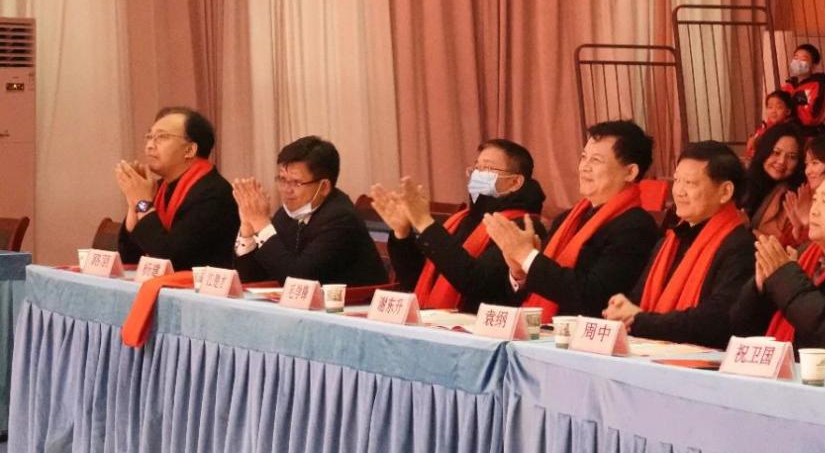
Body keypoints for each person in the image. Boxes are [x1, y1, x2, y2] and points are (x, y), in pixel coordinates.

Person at [485, 120, 659, 320]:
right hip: (542, 329)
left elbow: (593, 296)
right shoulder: (567, 219)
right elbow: (530, 292)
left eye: (596, 160)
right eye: (584, 157)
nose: (584, 167)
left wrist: (528, 257)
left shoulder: (635, 227)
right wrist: (520, 274)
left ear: (630, 172)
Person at [602, 142, 752, 347]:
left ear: (725, 192)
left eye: (690, 183)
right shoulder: (670, 240)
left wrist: (639, 320)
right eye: (677, 180)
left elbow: (715, 320)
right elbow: (638, 298)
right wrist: (622, 308)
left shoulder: (741, 247)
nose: (679, 191)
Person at [370, 138, 547, 311]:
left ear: (515, 182)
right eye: (476, 168)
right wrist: (402, 234)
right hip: (434, 319)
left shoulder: (524, 226)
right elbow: (416, 279)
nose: (476, 174)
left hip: (477, 323)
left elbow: (477, 283)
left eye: (487, 168)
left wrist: (425, 223)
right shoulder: (463, 219)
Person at [730, 167, 825, 363]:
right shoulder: (804, 253)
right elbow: (739, 325)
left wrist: (785, 280)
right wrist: (760, 287)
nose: (814, 211)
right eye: (815, 200)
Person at [232, 137, 385, 286]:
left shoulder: (341, 219)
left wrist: (261, 223)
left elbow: (298, 279)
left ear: (324, 187)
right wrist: (247, 228)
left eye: (296, 182)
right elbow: (253, 278)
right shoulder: (286, 215)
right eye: (282, 180)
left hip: (356, 301)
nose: (286, 190)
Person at [115, 106, 237, 270]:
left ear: (189, 150)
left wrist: (142, 203)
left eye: (161, 137)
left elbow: (171, 257)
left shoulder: (214, 193)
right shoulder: (158, 187)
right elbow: (129, 257)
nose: (150, 145)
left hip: (197, 284)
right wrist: (133, 205)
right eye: (149, 137)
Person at [742, 121, 805, 244]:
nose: (781, 161)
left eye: (792, 157)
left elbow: (787, 245)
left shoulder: (796, 197)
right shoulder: (744, 181)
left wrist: (745, 228)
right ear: (764, 151)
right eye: (776, 153)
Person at [782, 43, 825, 133]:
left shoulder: (818, 85)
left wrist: (789, 111)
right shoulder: (787, 86)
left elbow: (812, 118)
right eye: (796, 58)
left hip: (813, 133)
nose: (798, 62)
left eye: (803, 59)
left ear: (813, 66)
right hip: (789, 129)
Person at [745, 90, 795, 159]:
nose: (773, 111)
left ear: (788, 111)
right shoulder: (764, 128)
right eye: (770, 107)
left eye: (779, 107)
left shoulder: (789, 131)